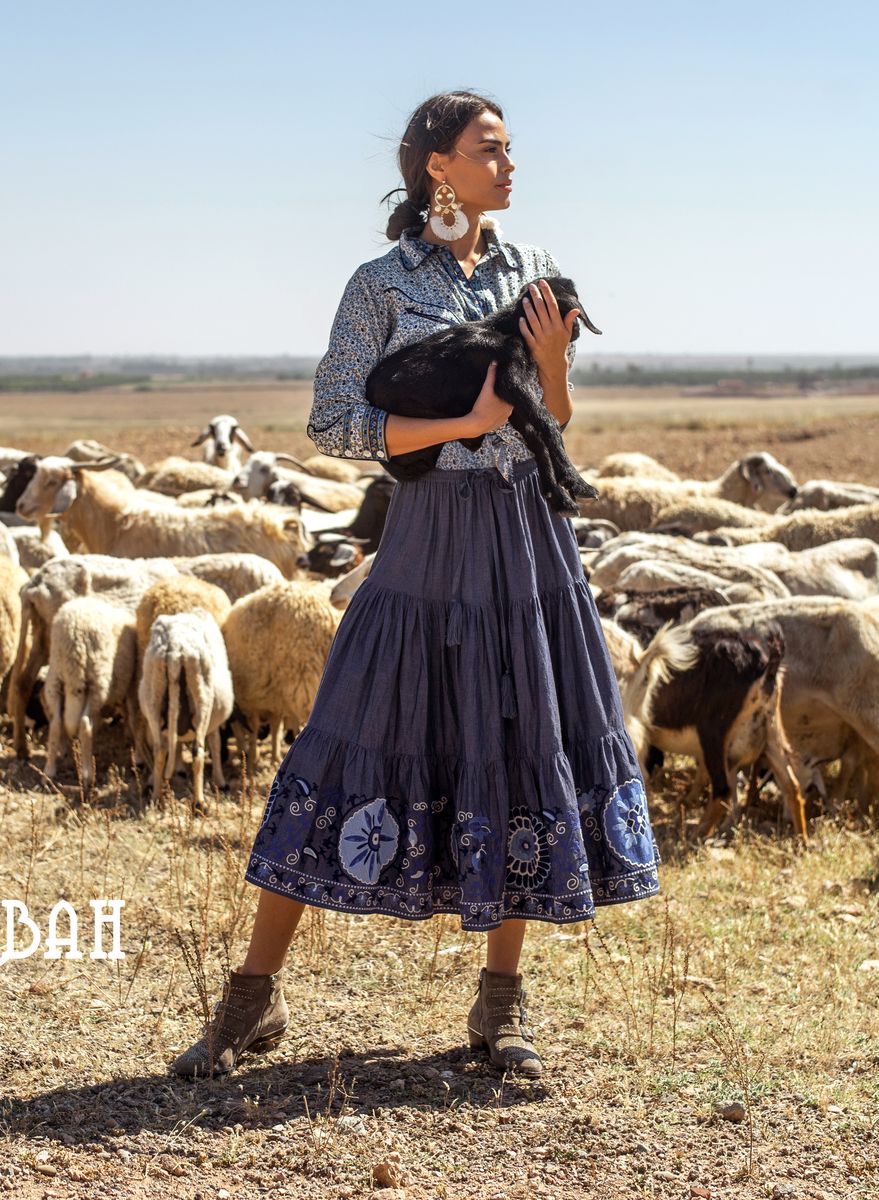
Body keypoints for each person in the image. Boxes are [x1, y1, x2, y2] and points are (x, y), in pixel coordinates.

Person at [169, 91, 660, 1081]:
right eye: (491, 150)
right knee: (349, 728)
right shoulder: (381, 284)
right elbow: (335, 423)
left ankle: (501, 1006)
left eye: (511, 150)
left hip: (527, 538)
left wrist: (552, 365)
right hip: (428, 531)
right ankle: (252, 1001)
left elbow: (551, 416)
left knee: (524, 742)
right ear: (439, 166)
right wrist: (459, 425)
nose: (509, 165)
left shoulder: (529, 272)